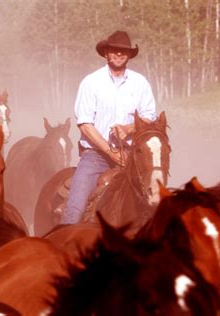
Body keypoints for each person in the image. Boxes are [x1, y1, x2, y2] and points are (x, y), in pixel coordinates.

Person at [61, 30, 157, 225]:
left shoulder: (140, 83)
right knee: (75, 210)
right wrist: (109, 151)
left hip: (133, 155)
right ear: (106, 53)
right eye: (114, 50)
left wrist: (129, 128)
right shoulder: (91, 82)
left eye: (124, 51)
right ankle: (63, 247)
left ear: (130, 55)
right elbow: (85, 124)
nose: (119, 54)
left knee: (157, 205)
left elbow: (150, 118)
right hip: (95, 156)